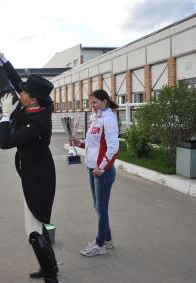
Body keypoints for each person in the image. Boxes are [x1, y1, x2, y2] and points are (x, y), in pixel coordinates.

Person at [0, 44, 61, 283]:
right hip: (37, 172)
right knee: (40, 225)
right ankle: (49, 267)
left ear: (33, 98)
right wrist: (3, 58)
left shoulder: (37, 122)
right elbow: (18, 82)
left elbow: (5, 142)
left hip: (38, 177)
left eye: (25, 93)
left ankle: (51, 276)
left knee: (33, 229)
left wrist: (6, 116)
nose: (20, 94)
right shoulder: (38, 106)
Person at [71, 89, 119, 257]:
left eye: (95, 102)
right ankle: (107, 239)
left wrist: (102, 167)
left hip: (102, 172)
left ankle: (99, 244)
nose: (92, 106)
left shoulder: (109, 119)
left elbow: (113, 148)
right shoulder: (95, 118)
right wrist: (79, 143)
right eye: (90, 103)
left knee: (101, 208)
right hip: (93, 169)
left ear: (105, 102)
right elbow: (94, 144)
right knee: (98, 207)